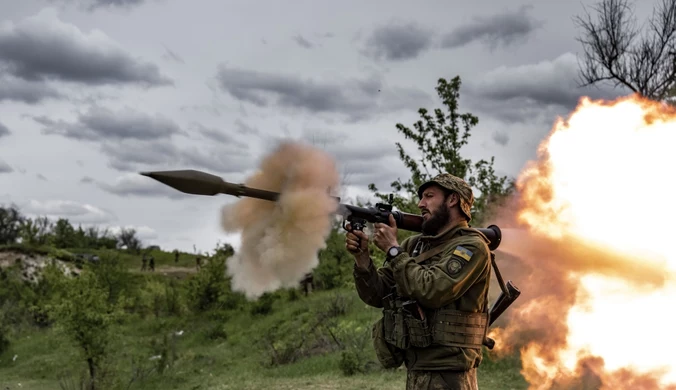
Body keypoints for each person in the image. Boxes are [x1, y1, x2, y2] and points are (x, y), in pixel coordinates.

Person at [345, 173, 492, 390]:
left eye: (429, 196)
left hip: (450, 373)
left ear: (452, 200)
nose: (420, 204)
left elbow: (433, 290)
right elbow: (378, 295)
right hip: (417, 368)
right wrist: (362, 258)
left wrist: (393, 250)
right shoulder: (415, 245)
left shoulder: (471, 247)